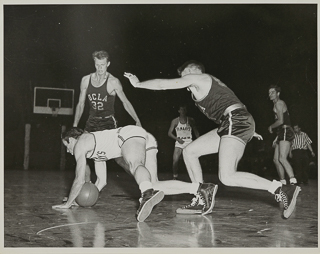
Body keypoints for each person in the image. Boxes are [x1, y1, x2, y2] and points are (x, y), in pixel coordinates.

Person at [124, 60, 301, 219]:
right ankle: (202, 196)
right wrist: (248, 128)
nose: (184, 80)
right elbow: (237, 104)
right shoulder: (205, 89)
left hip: (235, 121)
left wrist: (138, 84)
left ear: (194, 71)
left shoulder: (200, 78)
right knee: (189, 151)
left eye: (185, 74)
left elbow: (163, 85)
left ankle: (282, 189)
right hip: (233, 122)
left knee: (227, 176)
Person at [52, 126, 217, 222]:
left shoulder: (81, 143)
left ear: (72, 139)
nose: (67, 150)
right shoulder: (94, 150)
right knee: (154, 184)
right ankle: (201, 188)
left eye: (66, 145)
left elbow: (79, 178)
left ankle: (146, 194)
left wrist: (68, 203)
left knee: (135, 164)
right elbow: (101, 182)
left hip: (130, 134)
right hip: (144, 138)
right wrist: (80, 200)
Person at [73, 50, 141, 191]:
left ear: (108, 64)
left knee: (119, 158)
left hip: (108, 122)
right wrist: (74, 125)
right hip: (92, 121)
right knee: (80, 151)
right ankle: (84, 187)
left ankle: (144, 183)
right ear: (94, 64)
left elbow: (125, 102)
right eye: (97, 65)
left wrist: (137, 120)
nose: (100, 68)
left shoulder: (113, 82)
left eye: (102, 65)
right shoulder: (86, 80)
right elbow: (80, 104)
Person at [268, 85, 297, 185]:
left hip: (285, 130)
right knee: (276, 160)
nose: (270, 94)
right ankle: (283, 182)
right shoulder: (275, 104)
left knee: (282, 158)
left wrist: (271, 127)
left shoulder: (279, 103)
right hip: (281, 132)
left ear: (278, 93)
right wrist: (276, 137)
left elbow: (281, 121)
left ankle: (293, 181)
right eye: (269, 92)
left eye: (272, 92)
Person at [168, 105, 200, 180]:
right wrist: (177, 139)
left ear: (186, 111)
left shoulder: (191, 120)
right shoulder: (175, 121)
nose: (183, 111)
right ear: (179, 111)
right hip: (179, 142)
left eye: (184, 110)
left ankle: (195, 177)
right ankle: (175, 177)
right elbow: (169, 133)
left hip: (189, 141)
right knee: (175, 160)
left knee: (191, 160)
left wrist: (199, 140)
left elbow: (196, 132)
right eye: (181, 110)